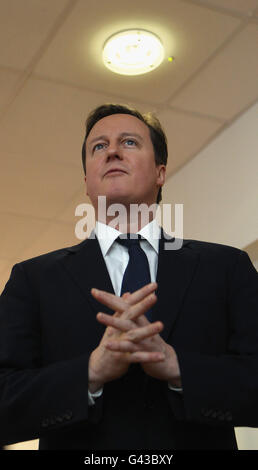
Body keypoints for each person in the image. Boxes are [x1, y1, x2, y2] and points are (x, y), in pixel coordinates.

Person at [0, 104, 258, 450]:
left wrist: (176, 366)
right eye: (99, 147)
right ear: (88, 182)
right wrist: (89, 372)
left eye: (130, 143)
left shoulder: (228, 268)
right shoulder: (32, 279)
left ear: (160, 173)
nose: (113, 152)